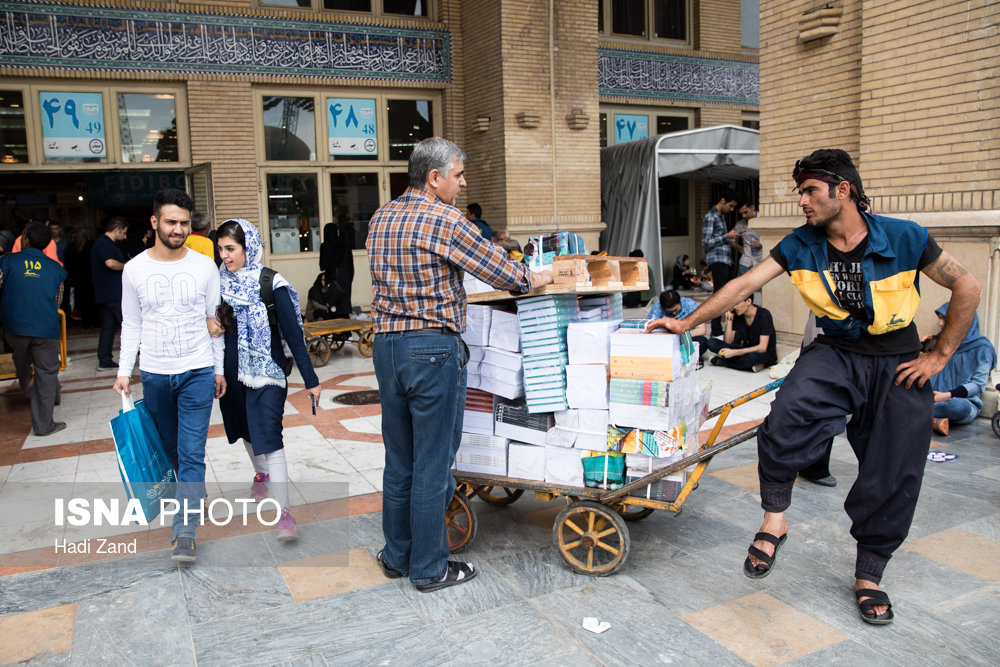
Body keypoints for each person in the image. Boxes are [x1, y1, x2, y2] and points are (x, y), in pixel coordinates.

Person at [646, 148, 981, 625]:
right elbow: (741, 287)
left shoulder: (907, 237)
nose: (801, 201)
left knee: (895, 468)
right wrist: (685, 324)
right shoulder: (800, 244)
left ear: (842, 191)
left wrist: (940, 356)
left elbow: (967, 286)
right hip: (836, 351)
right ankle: (774, 518)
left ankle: (869, 574)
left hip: (897, 359)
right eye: (800, 191)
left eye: (809, 191)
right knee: (785, 418)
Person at [367, 137, 553, 592]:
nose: (463, 182)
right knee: (433, 464)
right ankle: (430, 568)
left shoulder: (380, 216)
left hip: (387, 347)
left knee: (400, 460)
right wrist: (541, 275)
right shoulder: (446, 220)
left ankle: (398, 556)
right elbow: (509, 276)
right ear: (434, 177)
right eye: (458, 174)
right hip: (431, 350)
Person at [113, 189, 225, 565]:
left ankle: (185, 532)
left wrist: (219, 367)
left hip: (197, 370)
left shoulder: (204, 266)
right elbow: (131, 323)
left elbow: (216, 323)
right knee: (172, 449)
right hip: (156, 374)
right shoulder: (134, 269)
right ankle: (195, 493)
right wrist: (124, 371)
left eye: (184, 223)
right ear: (155, 222)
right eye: (171, 222)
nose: (178, 229)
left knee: (193, 452)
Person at [211, 218, 322, 542]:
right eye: (221, 249)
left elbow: (293, 335)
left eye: (230, 248)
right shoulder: (218, 283)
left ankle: (284, 513)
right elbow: (214, 330)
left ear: (249, 247)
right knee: (244, 430)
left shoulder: (271, 284)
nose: (225, 256)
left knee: (269, 436)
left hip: (268, 373)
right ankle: (260, 472)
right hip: (232, 375)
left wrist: (311, 379)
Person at [0, 222, 67, 436]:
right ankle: (44, 425)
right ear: (47, 243)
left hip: (14, 326)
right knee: (47, 372)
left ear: (25, 239)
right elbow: (58, 301)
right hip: (45, 328)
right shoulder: (57, 269)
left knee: (21, 355)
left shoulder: (6, 262)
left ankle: (23, 375)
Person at [925, 302, 996, 435]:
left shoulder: (982, 347)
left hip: (961, 402)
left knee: (957, 407)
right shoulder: (940, 342)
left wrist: (947, 395)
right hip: (932, 397)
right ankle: (934, 419)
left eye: (944, 319)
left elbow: (978, 384)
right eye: (939, 318)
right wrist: (924, 348)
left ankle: (920, 414)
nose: (940, 323)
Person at [701, 188, 741, 335]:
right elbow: (705, 242)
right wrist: (726, 236)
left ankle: (722, 328)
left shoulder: (720, 216)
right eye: (730, 206)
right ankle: (716, 329)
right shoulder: (711, 216)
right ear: (722, 200)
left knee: (725, 294)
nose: (731, 209)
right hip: (717, 260)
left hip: (725, 260)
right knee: (719, 296)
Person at [91, 217, 128, 371]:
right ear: (116, 230)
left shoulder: (102, 243)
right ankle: (144, 356)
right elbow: (110, 263)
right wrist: (127, 266)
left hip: (106, 293)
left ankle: (105, 359)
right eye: (124, 233)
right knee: (128, 325)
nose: (125, 237)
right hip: (112, 293)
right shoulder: (104, 244)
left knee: (108, 327)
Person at [705, 296, 777, 372]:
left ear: (748, 301)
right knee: (711, 342)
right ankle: (748, 365)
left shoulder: (764, 315)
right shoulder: (738, 314)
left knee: (752, 357)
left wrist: (734, 353)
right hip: (745, 350)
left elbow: (762, 348)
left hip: (763, 353)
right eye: (733, 304)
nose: (735, 307)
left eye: (737, 303)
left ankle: (724, 362)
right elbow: (728, 342)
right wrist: (729, 319)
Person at [648, 290, 708, 363]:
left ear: (680, 302)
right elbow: (649, 328)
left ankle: (684, 358)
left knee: (702, 342)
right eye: (670, 312)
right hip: (666, 340)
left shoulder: (690, 304)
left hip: (686, 338)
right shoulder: (657, 308)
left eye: (676, 310)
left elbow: (701, 330)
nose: (674, 313)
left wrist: (682, 336)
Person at [319, 221, 354, 318]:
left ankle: (336, 332)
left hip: (332, 281)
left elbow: (323, 265)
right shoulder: (345, 246)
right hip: (345, 281)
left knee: (333, 308)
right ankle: (346, 332)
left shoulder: (325, 246)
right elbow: (351, 266)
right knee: (344, 308)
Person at [735, 202, 764, 275]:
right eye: (741, 214)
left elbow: (773, 239)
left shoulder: (763, 220)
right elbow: (731, 239)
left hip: (761, 261)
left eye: (745, 212)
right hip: (745, 263)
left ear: (752, 208)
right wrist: (741, 249)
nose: (744, 216)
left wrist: (761, 244)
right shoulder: (740, 224)